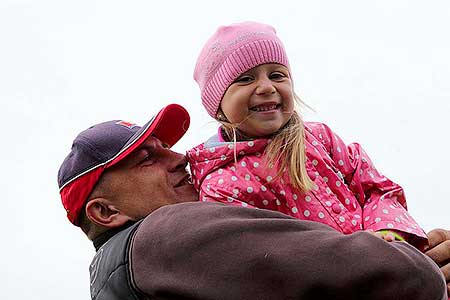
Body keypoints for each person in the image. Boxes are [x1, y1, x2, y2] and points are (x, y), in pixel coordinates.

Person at [58, 104, 448, 299]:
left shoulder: (127, 276)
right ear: (106, 212)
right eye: (148, 159)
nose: (180, 158)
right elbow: (387, 273)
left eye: (168, 148)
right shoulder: (164, 234)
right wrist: (414, 260)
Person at [187, 21, 426, 248]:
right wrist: (357, 257)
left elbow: (376, 188)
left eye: (277, 75)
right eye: (245, 79)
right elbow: (264, 255)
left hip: (388, 264)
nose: (267, 87)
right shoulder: (222, 186)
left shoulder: (320, 138)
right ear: (218, 105)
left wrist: (388, 233)